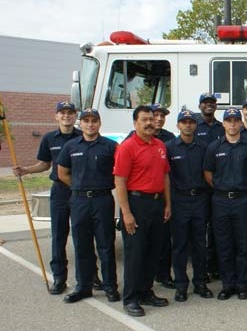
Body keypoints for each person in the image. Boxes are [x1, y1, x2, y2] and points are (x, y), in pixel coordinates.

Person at [13, 101, 81, 295]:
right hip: (60, 191)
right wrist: (26, 170)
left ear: (75, 116)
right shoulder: (49, 138)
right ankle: (59, 278)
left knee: (82, 236)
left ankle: (89, 277)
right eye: (63, 113)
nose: (67, 116)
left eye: (70, 113)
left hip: (80, 192)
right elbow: (44, 164)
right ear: (56, 116)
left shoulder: (83, 136)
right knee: (59, 235)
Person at [114, 105, 172, 317]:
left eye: (152, 118)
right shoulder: (127, 147)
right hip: (136, 204)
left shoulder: (160, 145)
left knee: (152, 252)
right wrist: (126, 213)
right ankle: (130, 298)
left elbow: (165, 176)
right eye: (145, 119)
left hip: (157, 204)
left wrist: (168, 204)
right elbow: (119, 180)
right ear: (135, 123)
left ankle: (146, 291)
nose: (149, 122)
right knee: (135, 254)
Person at [56, 108, 119, 303]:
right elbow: (62, 173)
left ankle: (110, 287)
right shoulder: (71, 146)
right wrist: (78, 188)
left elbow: (120, 173)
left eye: (94, 120)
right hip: (79, 201)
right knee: (82, 244)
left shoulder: (111, 146)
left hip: (102, 200)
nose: (90, 124)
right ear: (80, 124)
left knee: (106, 245)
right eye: (86, 121)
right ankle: (83, 286)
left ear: (100, 123)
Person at [204, 107, 247, 301]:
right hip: (220, 201)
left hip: (243, 201)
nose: (232, 124)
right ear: (223, 124)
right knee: (224, 244)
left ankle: (242, 285)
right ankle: (227, 285)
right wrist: (222, 189)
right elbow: (207, 173)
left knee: (244, 244)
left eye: (235, 121)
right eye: (228, 121)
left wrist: (244, 190)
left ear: (240, 123)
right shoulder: (214, 147)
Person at [165, 109, 214, 302]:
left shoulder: (204, 147)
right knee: (179, 246)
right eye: (183, 122)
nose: (187, 125)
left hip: (200, 200)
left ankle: (200, 283)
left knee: (200, 244)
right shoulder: (169, 147)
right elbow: (165, 178)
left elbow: (209, 173)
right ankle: (181, 285)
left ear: (196, 125)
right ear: (178, 125)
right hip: (179, 201)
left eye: (191, 122)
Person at [195, 92, 224, 281]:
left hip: (216, 186)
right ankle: (202, 268)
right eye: (205, 103)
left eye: (212, 103)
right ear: (200, 106)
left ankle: (214, 266)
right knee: (199, 230)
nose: (209, 105)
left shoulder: (222, 128)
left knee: (215, 230)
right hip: (198, 186)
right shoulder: (193, 126)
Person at [149, 103, 176, 289]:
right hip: (143, 196)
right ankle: (147, 278)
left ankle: (164, 275)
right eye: (155, 115)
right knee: (146, 241)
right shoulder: (133, 138)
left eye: (162, 116)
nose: (159, 119)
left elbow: (169, 172)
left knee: (165, 238)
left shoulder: (169, 139)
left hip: (163, 194)